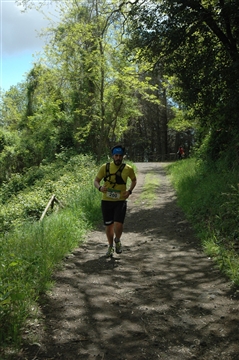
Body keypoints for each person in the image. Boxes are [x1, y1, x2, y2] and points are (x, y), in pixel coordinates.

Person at [94, 144, 137, 257]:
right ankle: (110, 246)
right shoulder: (105, 167)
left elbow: (134, 180)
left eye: (120, 156)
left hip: (120, 201)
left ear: (123, 156)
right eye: (116, 155)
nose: (118, 158)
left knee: (118, 224)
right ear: (113, 156)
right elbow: (96, 181)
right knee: (109, 226)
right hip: (106, 201)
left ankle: (117, 240)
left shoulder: (128, 169)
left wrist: (129, 191)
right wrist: (100, 188)